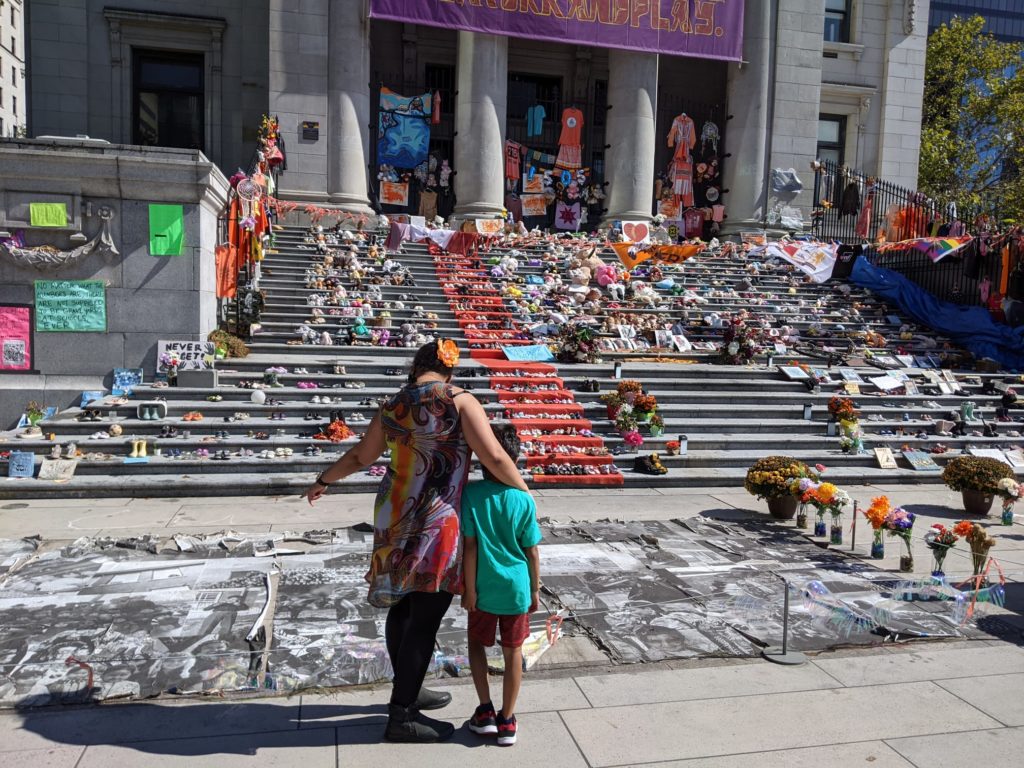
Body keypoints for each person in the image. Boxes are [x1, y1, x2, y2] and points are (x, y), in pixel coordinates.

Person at [303, 339, 529, 743]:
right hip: (435, 522)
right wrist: (524, 492)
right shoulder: (459, 400)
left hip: (393, 517)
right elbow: (494, 456)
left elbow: (360, 457)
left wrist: (324, 479)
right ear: (449, 370)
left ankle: (409, 687)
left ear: (417, 366)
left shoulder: (393, 404)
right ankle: (402, 715)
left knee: (403, 609)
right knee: (425, 618)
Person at [461, 424, 542, 747]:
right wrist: (535, 589)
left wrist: (469, 590)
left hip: (482, 585)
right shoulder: (523, 499)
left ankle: (484, 712)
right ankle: (507, 720)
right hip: (517, 588)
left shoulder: (470, 495)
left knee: (476, 643)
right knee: (513, 653)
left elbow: (469, 547)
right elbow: (531, 551)